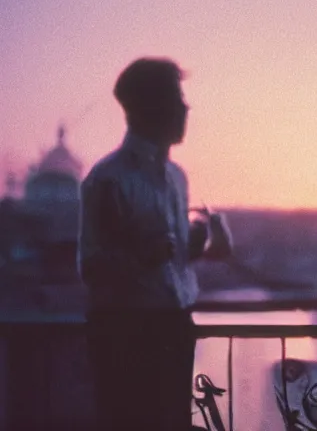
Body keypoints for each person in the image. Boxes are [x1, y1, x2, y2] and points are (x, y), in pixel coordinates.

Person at [77, 57, 233, 431]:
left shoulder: (176, 178)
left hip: (175, 326)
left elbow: (167, 263)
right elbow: (91, 267)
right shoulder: (107, 179)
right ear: (150, 107)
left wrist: (191, 248)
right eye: (177, 98)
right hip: (128, 333)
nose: (185, 108)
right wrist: (142, 258)